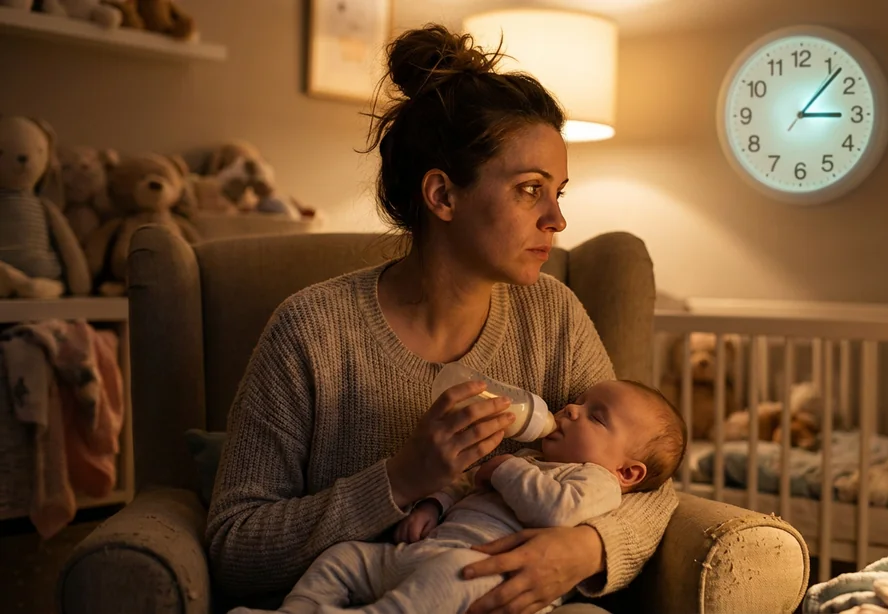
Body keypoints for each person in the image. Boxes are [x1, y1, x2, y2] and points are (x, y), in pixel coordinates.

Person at [205, 23, 679, 614]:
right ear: (443, 196)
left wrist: (584, 549)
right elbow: (234, 547)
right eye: (530, 189)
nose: (556, 220)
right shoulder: (312, 331)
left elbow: (646, 480)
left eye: (558, 192)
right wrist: (403, 478)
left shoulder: (553, 315)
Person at [227, 379, 687, 614]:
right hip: (423, 551)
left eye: (595, 416)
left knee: (442, 582)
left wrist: (504, 468)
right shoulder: (530, 458)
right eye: (581, 402)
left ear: (628, 472)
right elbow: (466, 483)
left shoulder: (596, 481)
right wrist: (433, 503)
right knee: (343, 557)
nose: (571, 408)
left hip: (482, 576)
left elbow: (556, 511)